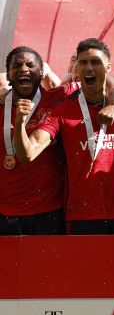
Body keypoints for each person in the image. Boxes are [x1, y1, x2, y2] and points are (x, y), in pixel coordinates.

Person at [14, 39, 114, 234]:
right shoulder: (61, 111)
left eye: (95, 62)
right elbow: (27, 155)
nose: (88, 68)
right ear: (77, 67)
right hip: (78, 217)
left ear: (108, 67)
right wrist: (20, 124)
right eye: (83, 62)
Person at [0, 47, 71, 235]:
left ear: (41, 73)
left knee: (47, 265)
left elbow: (108, 81)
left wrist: (113, 102)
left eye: (31, 65)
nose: (24, 69)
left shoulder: (57, 99)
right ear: (8, 75)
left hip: (49, 210)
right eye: (16, 66)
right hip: (5, 211)